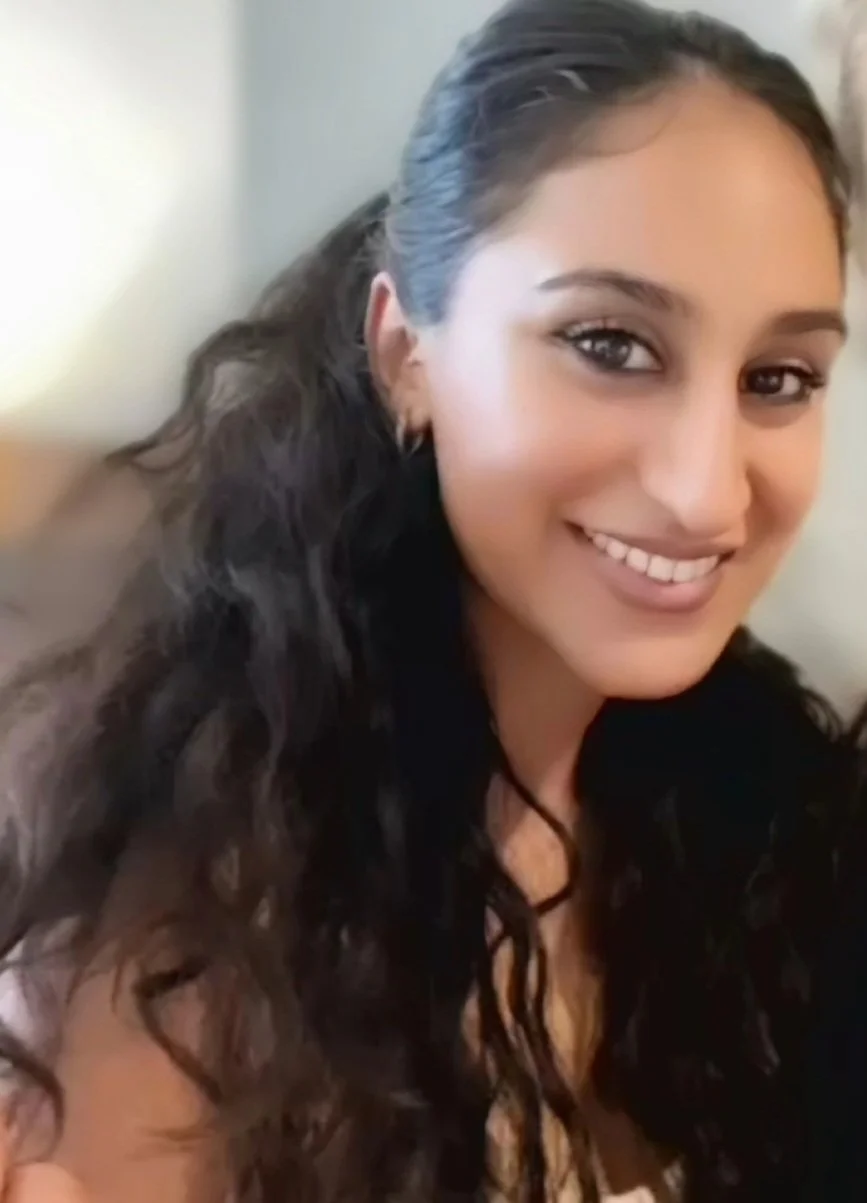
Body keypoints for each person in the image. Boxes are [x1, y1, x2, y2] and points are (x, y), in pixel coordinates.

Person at [0, 1, 854, 1200]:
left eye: (779, 378)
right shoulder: (189, 936)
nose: (706, 491)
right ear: (406, 352)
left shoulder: (777, 844)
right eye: (611, 345)